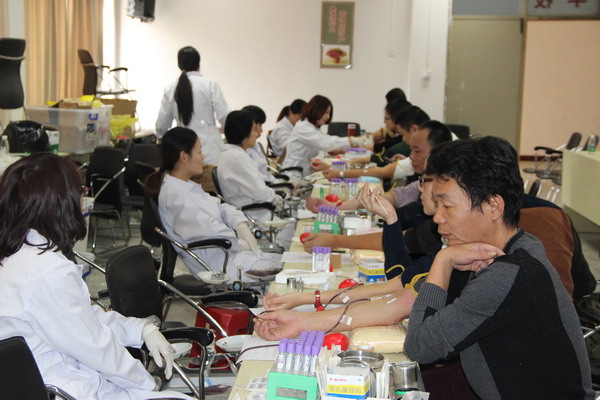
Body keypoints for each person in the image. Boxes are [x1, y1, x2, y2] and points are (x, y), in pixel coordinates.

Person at [404, 137, 594, 399]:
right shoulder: (518, 244)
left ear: (493, 206)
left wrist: (443, 260)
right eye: (437, 205)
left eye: (447, 206)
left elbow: (420, 347)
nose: (438, 217)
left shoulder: (508, 274)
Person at [0, 154, 190, 399]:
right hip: (64, 388)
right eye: (81, 191)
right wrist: (146, 383)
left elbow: (83, 318)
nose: (83, 199)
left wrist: (141, 329)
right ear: (63, 202)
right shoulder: (45, 272)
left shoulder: (19, 254)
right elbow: (94, 345)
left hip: (60, 378)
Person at [145, 127, 282, 281]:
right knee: (286, 275)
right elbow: (213, 232)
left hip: (232, 257)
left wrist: (240, 225)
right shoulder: (175, 198)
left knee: (287, 264)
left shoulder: (184, 185)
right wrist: (240, 243)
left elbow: (221, 206)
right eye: (199, 151)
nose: (203, 157)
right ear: (183, 156)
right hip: (221, 268)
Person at [302, 121, 452, 251]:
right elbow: (395, 197)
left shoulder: (442, 225)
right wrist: (335, 207)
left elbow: (399, 240)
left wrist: (334, 241)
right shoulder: (423, 188)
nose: (411, 156)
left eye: (417, 151)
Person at [155, 46, 229, 166]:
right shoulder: (210, 84)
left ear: (179, 65)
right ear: (198, 63)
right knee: (210, 178)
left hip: (183, 151)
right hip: (210, 150)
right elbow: (224, 115)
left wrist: (159, 135)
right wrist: (225, 130)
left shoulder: (171, 87)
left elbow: (162, 123)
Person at [282, 95, 355, 177]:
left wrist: (335, 149)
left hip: (302, 169)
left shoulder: (312, 127)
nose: (328, 117)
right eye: (326, 112)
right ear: (317, 110)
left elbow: (323, 141)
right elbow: (325, 143)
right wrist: (352, 141)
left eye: (329, 113)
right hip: (294, 171)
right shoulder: (304, 127)